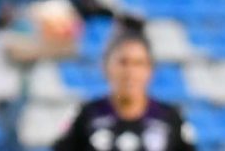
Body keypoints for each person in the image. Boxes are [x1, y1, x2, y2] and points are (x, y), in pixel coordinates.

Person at [53, 14, 195, 150]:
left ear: (150, 70)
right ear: (106, 67)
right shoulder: (85, 116)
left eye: (138, 63)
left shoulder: (170, 118)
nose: (130, 72)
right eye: (123, 62)